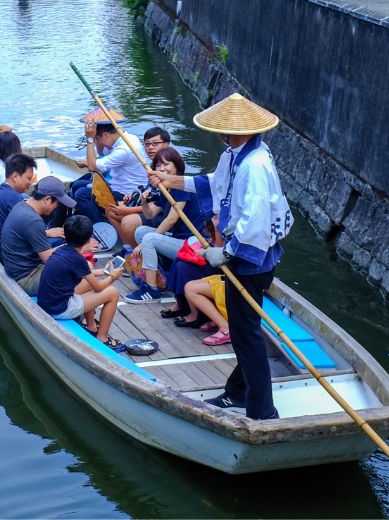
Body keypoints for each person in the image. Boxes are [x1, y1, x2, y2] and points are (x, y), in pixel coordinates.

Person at [150, 93, 294, 420]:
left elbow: (254, 221)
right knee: (245, 332)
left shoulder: (255, 165)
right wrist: (169, 180)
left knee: (246, 335)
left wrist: (225, 253)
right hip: (241, 253)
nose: (220, 135)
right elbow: (214, 183)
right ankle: (238, 392)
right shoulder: (235, 155)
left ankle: (261, 410)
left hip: (251, 258)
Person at [125, 146, 214, 305]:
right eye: (158, 166)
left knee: (149, 239)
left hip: (192, 244)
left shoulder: (180, 186)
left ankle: (151, 289)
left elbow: (172, 219)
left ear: (177, 166)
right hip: (178, 239)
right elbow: (149, 214)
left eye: (166, 164)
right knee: (141, 231)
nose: (161, 169)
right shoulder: (165, 188)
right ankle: (159, 274)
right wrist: (145, 202)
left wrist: (147, 242)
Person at [36, 215, 125, 350]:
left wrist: (102, 272)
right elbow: (99, 286)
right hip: (59, 309)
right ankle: (102, 338)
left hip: (47, 303)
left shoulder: (62, 249)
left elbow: (85, 275)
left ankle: (91, 326)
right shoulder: (78, 259)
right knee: (112, 293)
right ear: (88, 239)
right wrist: (112, 277)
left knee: (89, 282)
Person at [0, 176, 72, 296]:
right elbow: (52, 262)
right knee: (79, 270)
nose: (57, 207)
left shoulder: (21, 205)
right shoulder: (33, 221)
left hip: (18, 269)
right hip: (26, 279)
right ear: (47, 199)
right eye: (57, 203)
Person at [72, 116, 150, 225]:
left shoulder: (124, 149)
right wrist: (93, 136)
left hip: (127, 193)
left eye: (97, 139)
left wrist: (90, 139)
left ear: (105, 135)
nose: (96, 142)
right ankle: (79, 221)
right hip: (115, 186)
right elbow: (101, 153)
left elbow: (92, 167)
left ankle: (98, 228)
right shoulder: (123, 138)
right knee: (77, 185)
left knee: (82, 194)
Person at [109, 127, 173, 245]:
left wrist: (128, 210)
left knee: (129, 221)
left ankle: (137, 257)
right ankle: (128, 246)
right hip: (151, 207)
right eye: (147, 144)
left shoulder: (169, 166)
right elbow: (150, 193)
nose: (150, 148)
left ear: (166, 144)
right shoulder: (152, 166)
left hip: (164, 214)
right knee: (111, 209)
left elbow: (159, 205)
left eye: (155, 144)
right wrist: (133, 197)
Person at [0, 153, 37, 259]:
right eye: (28, 178)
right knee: (58, 242)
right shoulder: (13, 197)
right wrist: (49, 232)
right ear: (15, 177)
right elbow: (29, 229)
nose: (30, 182)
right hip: (3, 252)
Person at [185, 275, 231, 346]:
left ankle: (226, 328)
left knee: (191, 289)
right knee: (189, 284)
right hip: (229, 277)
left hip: (240, 281)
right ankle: (219, 320)